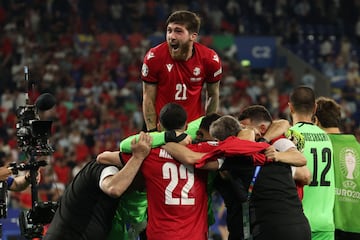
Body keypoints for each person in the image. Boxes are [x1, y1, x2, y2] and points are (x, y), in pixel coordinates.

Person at [164, 115, 310, 240]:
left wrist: (165, 143)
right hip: (301, 226)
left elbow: (193, 159)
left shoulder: (234, 159)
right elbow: (301, 164)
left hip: (269, 229)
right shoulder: (272, 152)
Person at [43, 132, 152, 240]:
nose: (141, 188)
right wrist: (138, 157)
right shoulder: (104, 168)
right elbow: (113, 188)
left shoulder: (125, 196)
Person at [141, 10, 222, 131]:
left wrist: (207, 128)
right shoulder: (154, 57)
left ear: (193, 36)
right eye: (169, 30)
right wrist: (152, 131)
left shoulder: (210, 59)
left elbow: (213, 95)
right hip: (162, 128)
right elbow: (148, 97)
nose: (171, 36)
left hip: (193, 127)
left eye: (178, 31)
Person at [289, 86, 335, 240]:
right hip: (325, 224)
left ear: (290, 107)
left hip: (298, 223)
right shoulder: (326, 138)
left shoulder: (290, 135)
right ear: (315, 108)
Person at [238, 104, 311, 200]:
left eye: (246, 128)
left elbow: (305, 175)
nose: (243, 132)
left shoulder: (277, 143)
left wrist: (279, 162)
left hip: (286, 207)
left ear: (262, 129)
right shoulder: (266, 141)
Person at [314, 97, 360, 240]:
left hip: (328, 227)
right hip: (356, 225)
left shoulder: (317, 148)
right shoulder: (358, 148)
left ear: (316, 120)